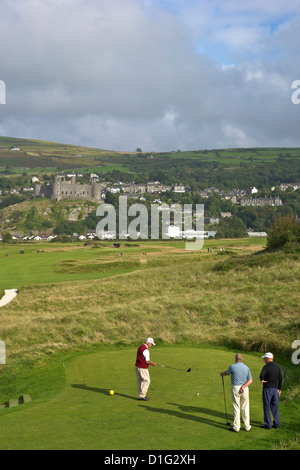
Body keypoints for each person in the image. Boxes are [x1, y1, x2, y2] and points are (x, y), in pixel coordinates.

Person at [220, 353, 253, 432]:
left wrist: (221, 373)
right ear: (242, 359)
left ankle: (236, 427)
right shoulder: (246, 367)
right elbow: (250, 380)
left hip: (235, 388)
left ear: (235, 359)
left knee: (236, 407)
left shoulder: (232, 366)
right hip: (244, 388)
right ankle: (247, 426)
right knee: (245, 407)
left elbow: (226, 373)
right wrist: (243, 386)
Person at [260, 352, 282, 429]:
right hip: (275, 389)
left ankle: (268, 424)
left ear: (268, 358)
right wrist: (279, 389)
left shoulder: (265, 367)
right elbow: (280, 379)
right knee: (275, 406)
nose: (264, 360)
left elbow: (261, 375)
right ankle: (277, 424)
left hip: (267, 389)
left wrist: (262, 380)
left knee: (266, 406)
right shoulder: (277, 367)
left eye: (265, 358)